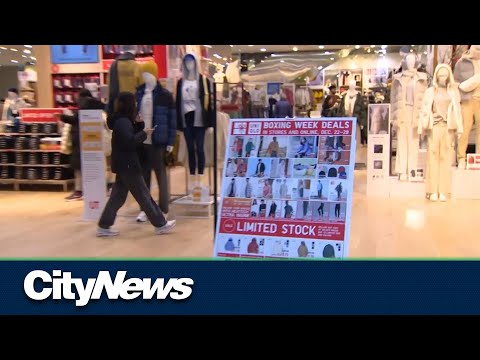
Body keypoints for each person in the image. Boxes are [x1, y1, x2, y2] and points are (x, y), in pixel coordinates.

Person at [96, 92, 176, 237]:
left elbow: (131, 137)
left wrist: (140, 125)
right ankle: (161, 224)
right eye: (135, 103)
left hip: (124, 164)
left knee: (118, 197)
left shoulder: (123, 121)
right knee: (144, 195)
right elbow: (130, 142)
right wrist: (144, 133)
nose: (137, 105)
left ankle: (104, 225)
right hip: (128, 165)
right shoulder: (123, 123)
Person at [56, 89, 105, 201]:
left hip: (80, 142)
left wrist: (62, 117)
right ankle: (92, 190)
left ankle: (79, 191)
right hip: (93, 141)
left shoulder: (84, 106)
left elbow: (74, 120)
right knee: (92, 166)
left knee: (78, 168)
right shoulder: (98, 107)